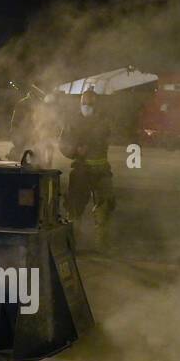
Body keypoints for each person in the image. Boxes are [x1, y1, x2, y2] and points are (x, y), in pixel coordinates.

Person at [59, 89, 115, 245]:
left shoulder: (103, 121)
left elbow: (105, 136)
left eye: (90, 104)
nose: (87, 107)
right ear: (80, 104)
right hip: (81, 170)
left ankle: (102, 244)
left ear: (96, 105)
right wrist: (75, 150)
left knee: (105, 207)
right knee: (74, 208)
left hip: (102, 170)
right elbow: (63, 144)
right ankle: (72, 242)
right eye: (84, 104)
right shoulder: (72, 122)